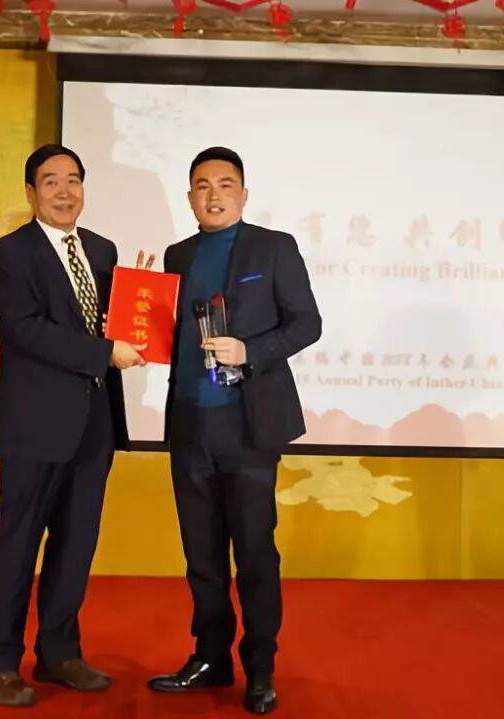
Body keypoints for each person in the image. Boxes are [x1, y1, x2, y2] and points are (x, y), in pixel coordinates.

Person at [147, 147, 321, 714]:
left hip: (247, 426)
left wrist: (251, 350)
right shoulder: (177, 255)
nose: (214, 195)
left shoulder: (273, 248)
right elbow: (164, 334)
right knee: (200, 555)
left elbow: (307, 323)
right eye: (202, 186)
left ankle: (260, 668)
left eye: (225, 184)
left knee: (254, 552)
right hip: (189, 424)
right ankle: (210, 657)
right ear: (189, 196)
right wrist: (135, 308)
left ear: (243, 195)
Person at [0, 144, 146, 708]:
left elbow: (110, 322)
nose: (64, 191)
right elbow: (25, 330)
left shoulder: (102, 250)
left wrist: (142, 306)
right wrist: (105, 352)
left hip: (94, 422)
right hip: (33, 425)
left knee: (75, 545)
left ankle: (59, 653)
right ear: (31, 192)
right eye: (51, 181)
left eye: (73, 179)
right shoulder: (8, 255)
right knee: (17, 544)